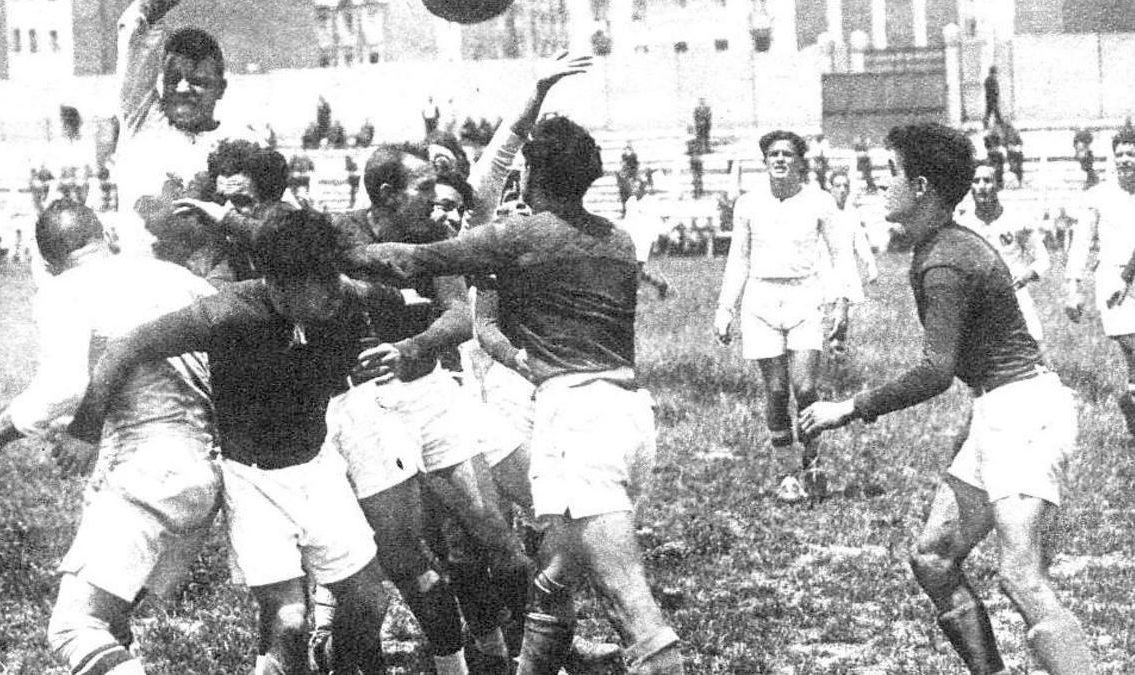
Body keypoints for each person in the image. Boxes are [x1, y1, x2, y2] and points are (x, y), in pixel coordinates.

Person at [344, 114, 685, 675]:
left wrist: (308, 249)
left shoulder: (523, 235)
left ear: (533, 176)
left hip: (578, 420)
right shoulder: (618, 241)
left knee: (634, 610)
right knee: (552, 577)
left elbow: (408, 260)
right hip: (630, 416)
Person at [800, 122, 1094, 675]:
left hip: (1024, 413)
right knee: (933, 559)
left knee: (1021, 578)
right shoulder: (943, 245)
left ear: (922, 187)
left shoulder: (944, 260)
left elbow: (937, 371)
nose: (880, 185)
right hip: (1002, 409)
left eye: (891, 174)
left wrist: (849, 408)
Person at [69, 209, 397, 675]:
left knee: (368, 603)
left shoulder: (342, 297)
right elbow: (128, 345)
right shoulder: (226, 315)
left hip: (319, 470)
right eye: (316, 282)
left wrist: (407, 348)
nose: (331, 290)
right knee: (288, 622)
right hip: (252, 481)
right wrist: (85, 431)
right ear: (278, 284)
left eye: (333, 276)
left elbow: (401, 304)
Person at [0, 200, 221, 675]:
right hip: (206, 472)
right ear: (105, 239)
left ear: (47, 261)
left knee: (74, 628)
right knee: (111, 622)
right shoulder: (177, 277)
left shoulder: (65, 288)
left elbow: (65, 384)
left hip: (147, 472)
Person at [325, 141, 531, 675]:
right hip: (366, 405)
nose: (435, 196)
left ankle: (508, 653)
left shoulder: (434, 237)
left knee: (496, 539)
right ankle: (351, 639)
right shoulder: (339, 233)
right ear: (387, 194)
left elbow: (461, 315)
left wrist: (412, 347)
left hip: (431, 393)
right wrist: (384, 301)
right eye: (423, 187)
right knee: (410, 559)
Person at [712, 130, 855, 503]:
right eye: (773, 154)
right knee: (776, 390)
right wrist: (725, 308)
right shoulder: (748, 204)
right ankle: (787, 472)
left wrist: (841, 302)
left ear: (799, 161)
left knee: (805, 387)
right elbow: (738, 258)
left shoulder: (820, 202)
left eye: (787, 154)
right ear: (764, 161)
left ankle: (812, 459)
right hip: (761, 299)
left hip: (804, 296)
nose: (779, 160)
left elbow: (841, 255)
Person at [109, 0, 263, 261]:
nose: (182, 89)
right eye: (173, 80)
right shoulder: (142, 121)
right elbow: (134, 32)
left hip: (213, 291)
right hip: (143, 286)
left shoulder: (244, 144)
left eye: (198, 82)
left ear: (220, 88)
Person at [1065, 126, 1135, 436]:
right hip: (1112, 280)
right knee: (1131, 344)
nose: (1125, 160)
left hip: (1129, 275)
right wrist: (1072, 288)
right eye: (1119, 154)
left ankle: (1132, 399)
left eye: (1131, 153)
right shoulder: (1100, 195)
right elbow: (1081, 242)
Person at [170, 139, 293, 284]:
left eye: (242, 201)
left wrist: (228, 219)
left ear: (271, 199)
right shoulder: (226, 245)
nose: (226, 209)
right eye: (222, 200)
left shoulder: (293, 223)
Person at [962, 161, 1050, 347]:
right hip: (978, 298)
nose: (981, 187)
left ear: (998, 185)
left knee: (1034, 344)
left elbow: (1042, 260)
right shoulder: (963, 224)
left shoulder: (1018, 218)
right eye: (976, 181)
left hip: (1014, 294)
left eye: (987, 180)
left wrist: (1025, 276)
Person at [825, 168, 878, 356]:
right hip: (824, 269)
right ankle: (824, 356)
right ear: (829, 188)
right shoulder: (823, 212)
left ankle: (836, 355)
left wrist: (870, 265)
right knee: (827, 316)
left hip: (846, 269)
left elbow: (860, 241)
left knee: (843, 317)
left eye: (845, 186)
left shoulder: (852, 213)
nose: (841, 190)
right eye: (837, 186)